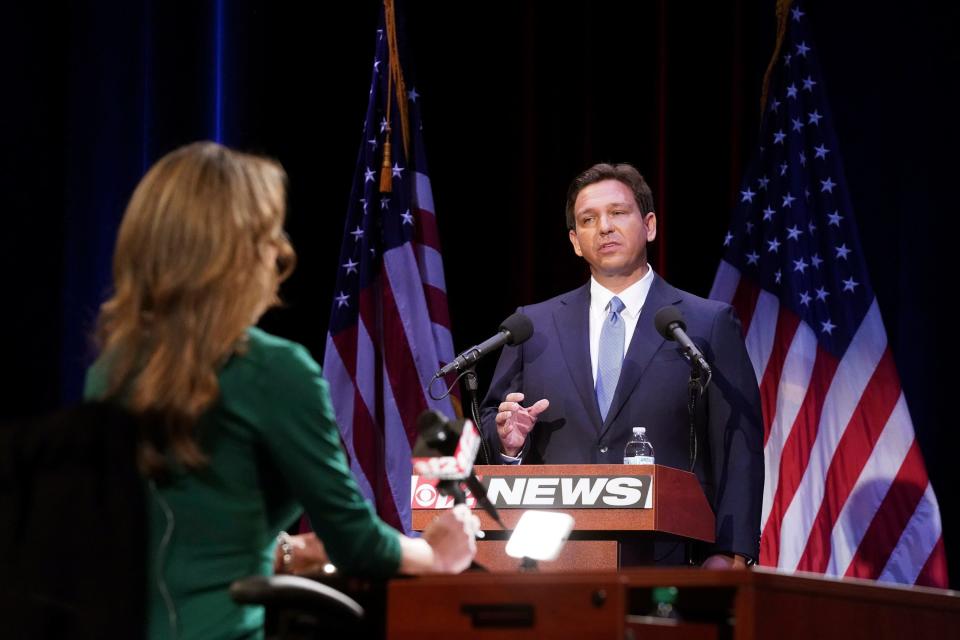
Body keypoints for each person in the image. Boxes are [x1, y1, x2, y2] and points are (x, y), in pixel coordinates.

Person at [84, 141, 479, 640]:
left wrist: (287, 551)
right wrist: (437, 553)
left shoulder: (110, 370)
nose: (281, 253)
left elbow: (178, 528)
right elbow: (357, 543)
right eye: (269, 236)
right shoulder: (271, 369)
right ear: (235, 254)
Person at [479, 163, 763, 567]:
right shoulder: (533, 326)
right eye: (589, 220)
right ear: (576, 242)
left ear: (649, 225)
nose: (605, 228)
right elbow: (494, 421)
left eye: (618, 213)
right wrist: (508, 443)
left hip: (669, 554)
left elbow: (739, 444)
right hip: (551, 558)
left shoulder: (706, 323)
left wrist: (731, 552)